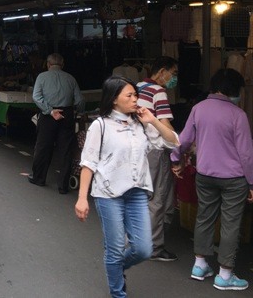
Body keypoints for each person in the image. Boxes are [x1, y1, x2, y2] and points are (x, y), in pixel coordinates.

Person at [75, 76, 180, 298]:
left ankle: (116, 268)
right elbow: (88, 163)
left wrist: (152, 120)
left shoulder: (141, 124)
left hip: (137, 193)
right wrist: (82, 198)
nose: (135, 99)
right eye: (129, 95)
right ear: (114, 99)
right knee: (114, 249)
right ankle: (118, 292)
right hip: (108, 194)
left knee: (144, 249)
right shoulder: (100, 126)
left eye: (136, 95)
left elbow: (172, 142)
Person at [171, 68, 253, 291]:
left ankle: (199, 266)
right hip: (234, 179)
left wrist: (176, 160)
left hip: (205, 174)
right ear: (235, 90)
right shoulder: (238, 115)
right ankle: (225, 275)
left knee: (204, 217)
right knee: (230, 224)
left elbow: (184, 139)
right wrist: (252, 182)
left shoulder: (198, 109)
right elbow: (246, 153)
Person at [135, 56, 179, 262]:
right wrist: (180, 142)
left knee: (141, 196)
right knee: (158, 199)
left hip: (137, 150)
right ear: (162, 72)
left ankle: (137, 239)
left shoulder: (137, 87)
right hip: (154, 150)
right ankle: (154, 246)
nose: (174, 78)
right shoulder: (158, 91)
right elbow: (164, 125)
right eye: (173, 73)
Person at [29, 53, 85, 193]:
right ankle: (63, 186)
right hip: (67, 115)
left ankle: (39, 178)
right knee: (66, 150)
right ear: (63, 64)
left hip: (48, 116)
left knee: (43, 147)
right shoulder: (70, 78)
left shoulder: (42, 77)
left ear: (48, 64)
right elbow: (80, 100)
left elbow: (36, 97)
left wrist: (50, 110)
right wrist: (77, 112)